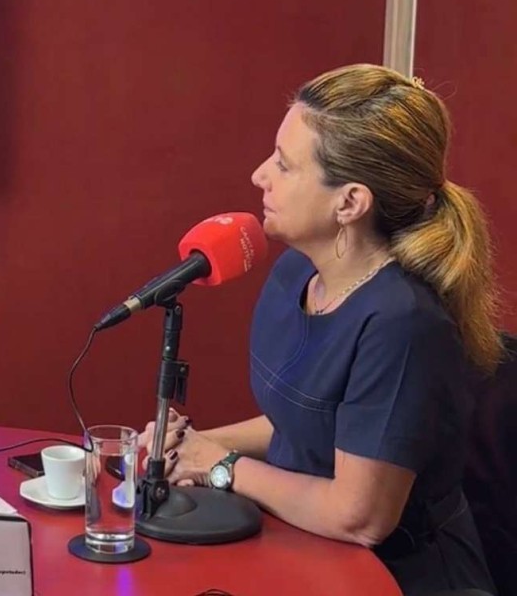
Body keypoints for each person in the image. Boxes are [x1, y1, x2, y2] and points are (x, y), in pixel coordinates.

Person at [141, 64, 501, 595]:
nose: (259, 175)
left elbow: (360, 517)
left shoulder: (402, 326)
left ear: (349, 202)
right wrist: (189, 446)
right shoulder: (297, 272)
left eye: (284, 164)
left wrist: (222, 465)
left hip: (396, 577)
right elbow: (306, 424)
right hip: (307, 548)